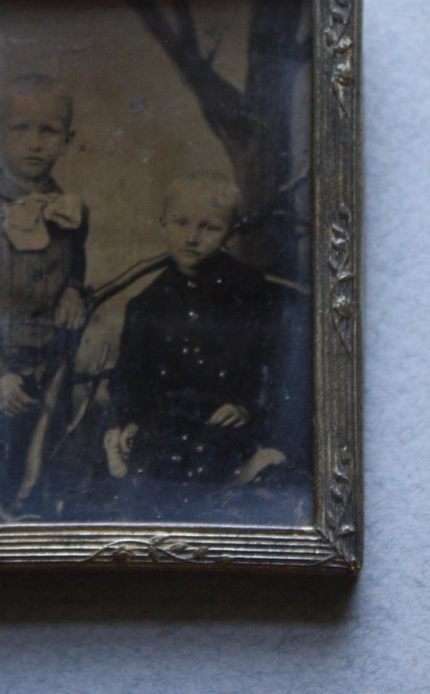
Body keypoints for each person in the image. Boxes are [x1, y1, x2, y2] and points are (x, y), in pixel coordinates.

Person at [106, 173, 304, 522]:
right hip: (166, 423)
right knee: (146, 482)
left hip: (227, 421)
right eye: (181, 223)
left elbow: (269, 364)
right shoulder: (146, 303)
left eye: (209, 227)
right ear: (163, 224)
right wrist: (131, 419)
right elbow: (128, 376)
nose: (192, 237)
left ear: (229, 234)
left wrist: (244, 405)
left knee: (210, 473)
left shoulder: (251, 292)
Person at [0, 75, 88, 522]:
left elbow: (77, 266)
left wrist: (75, 289)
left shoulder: (72, 208)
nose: (33, 143)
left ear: (67, 140)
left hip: (52, 370)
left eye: (48, 131)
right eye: (20, 129)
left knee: (41, 467)